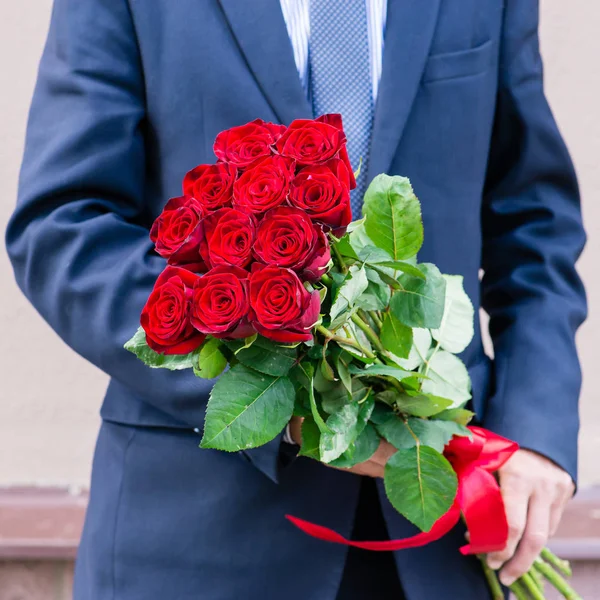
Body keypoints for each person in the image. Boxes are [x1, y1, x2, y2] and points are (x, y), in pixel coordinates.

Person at [5, 0, 586, 598]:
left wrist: (536, 430)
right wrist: (285, 403)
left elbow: (534, 223)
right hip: (195, 538)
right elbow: (64, 227)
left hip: (444, 531)